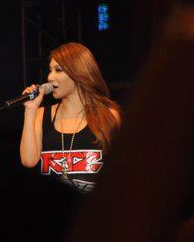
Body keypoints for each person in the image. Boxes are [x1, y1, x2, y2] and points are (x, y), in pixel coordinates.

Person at [19, 42, 121, 193]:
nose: (50, 77)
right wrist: (30, 110)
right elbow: (28, 161)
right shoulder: (40, 114)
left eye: (58, 70)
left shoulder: (109, 116)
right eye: (50, 70)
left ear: (78, 73)